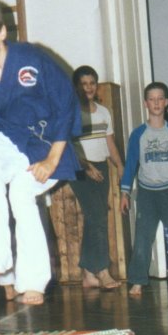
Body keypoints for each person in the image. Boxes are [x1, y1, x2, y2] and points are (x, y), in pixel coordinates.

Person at [0, 0, 81, 306]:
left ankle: (34, 281)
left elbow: (66, 105)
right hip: (3, 138)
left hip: (43, 143)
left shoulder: (31, 59)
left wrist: (52, 159)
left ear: (1, 32)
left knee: (21, 196)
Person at [120, 81, 168, 298]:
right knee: (143, 238)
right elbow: (130, 165)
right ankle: (137, 281)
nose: (156, 103)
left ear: (167, 102)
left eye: (160, 98)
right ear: (146, 103)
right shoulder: (138, 134)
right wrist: (124, 192)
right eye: (152, 99)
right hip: (146, 194)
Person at [70, 65, 124, 290]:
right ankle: (102, 270)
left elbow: (109, 142)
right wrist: (86, 166)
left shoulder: (103, 112)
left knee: (96, 217)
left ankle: (87, 273)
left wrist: (119, 165)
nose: (89, 87)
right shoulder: (72, 112)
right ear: (77, 87)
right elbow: (68, 145)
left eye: (92, 83)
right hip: (79, 169)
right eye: (84, 84)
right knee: (98, 216)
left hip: (101, 167)